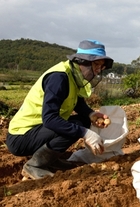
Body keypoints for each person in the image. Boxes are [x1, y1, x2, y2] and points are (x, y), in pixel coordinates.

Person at [6, 39, 114, 180]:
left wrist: (91, 114)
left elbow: (77, 103)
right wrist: (85, 134)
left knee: (83, 120)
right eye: (96, 65)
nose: (98, 70)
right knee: (78, 127)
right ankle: (35, 165)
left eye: (101, 67)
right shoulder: (59, 78)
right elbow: (50, 119)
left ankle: (50, 160)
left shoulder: (74, 76)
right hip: (21, 136)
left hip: (39, 129)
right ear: (83, 62)